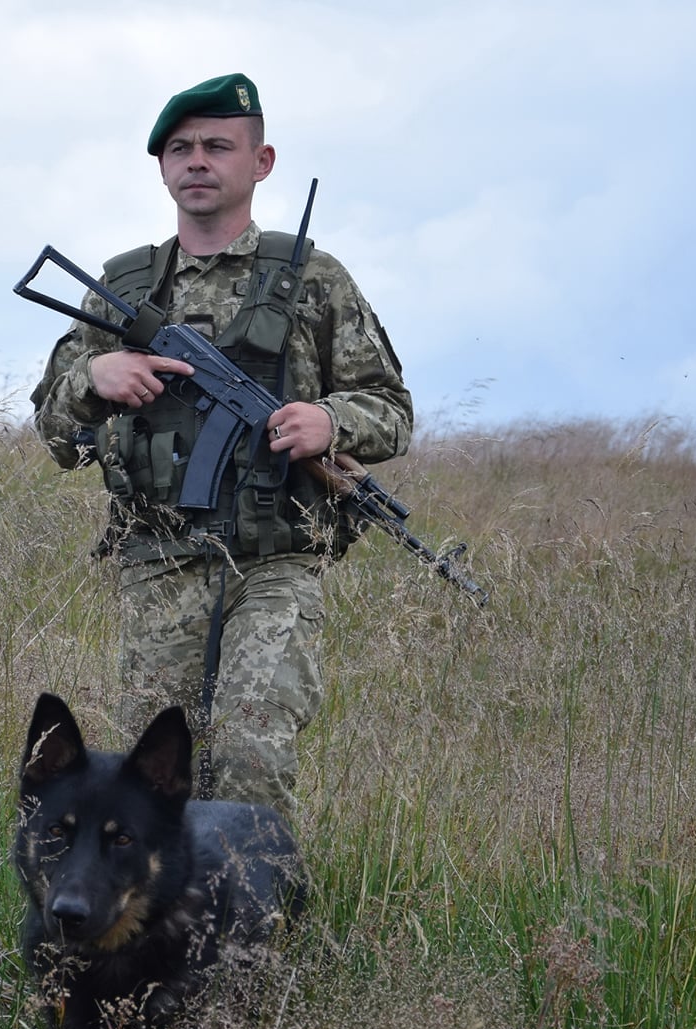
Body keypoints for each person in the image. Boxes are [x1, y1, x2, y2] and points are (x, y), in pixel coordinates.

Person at [30, 72, 413, 815]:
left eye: (216, 146)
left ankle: (250, 927)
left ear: (260, 162)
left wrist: (330, 422)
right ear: (163, 167)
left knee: (249, 748)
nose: (197, 160)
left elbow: (391, 408)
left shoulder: (313, 279)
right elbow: (52, 428)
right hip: (158, 561)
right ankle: (162, 928)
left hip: (275, 562)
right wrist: (94, 377)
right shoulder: (121, 290)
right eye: (180, 148)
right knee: (150, 779)